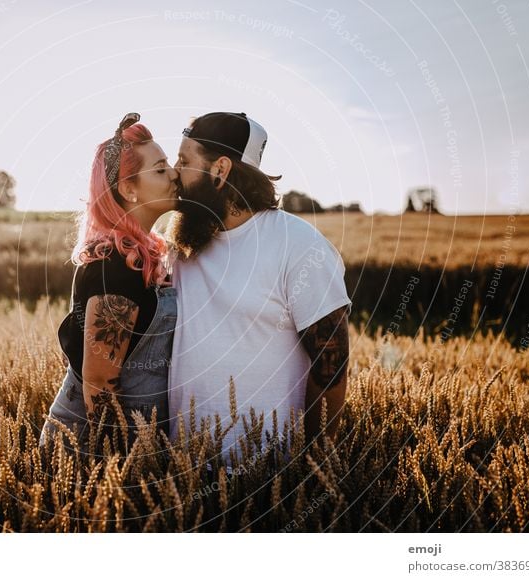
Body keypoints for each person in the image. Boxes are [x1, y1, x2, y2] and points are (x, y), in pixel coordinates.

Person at [167, 111, 352, 462]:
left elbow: (331, 368)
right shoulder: (182, 246)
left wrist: (313, 467)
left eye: (183, 160)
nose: (175, 171)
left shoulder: (299, 246)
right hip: (181, 472)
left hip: (267, 478)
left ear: (220, 170)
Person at [39, 112, 180, 456]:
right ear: (129, 188)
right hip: (89, 449)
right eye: (160, 169)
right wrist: (117, 468)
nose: (175, 174)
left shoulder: (141, 255)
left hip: (138, 442)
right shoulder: (113, 267)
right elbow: (100, 384)